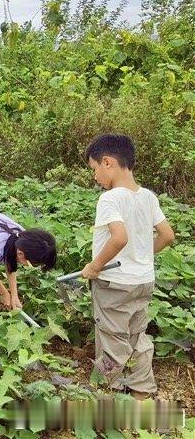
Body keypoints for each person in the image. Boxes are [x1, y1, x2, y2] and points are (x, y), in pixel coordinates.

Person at [80, 134, 175, 399]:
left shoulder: (110, 199)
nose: (95, 176)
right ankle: (142, 391)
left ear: (108, 162)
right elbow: (167, 235)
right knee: (138, 337)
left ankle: (104, 392)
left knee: (112, 337)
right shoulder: (148, 197)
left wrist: (95, 266)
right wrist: (142, 255)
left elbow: (119, 238)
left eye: (94, 168)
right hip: (143, 280)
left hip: (115, 282)